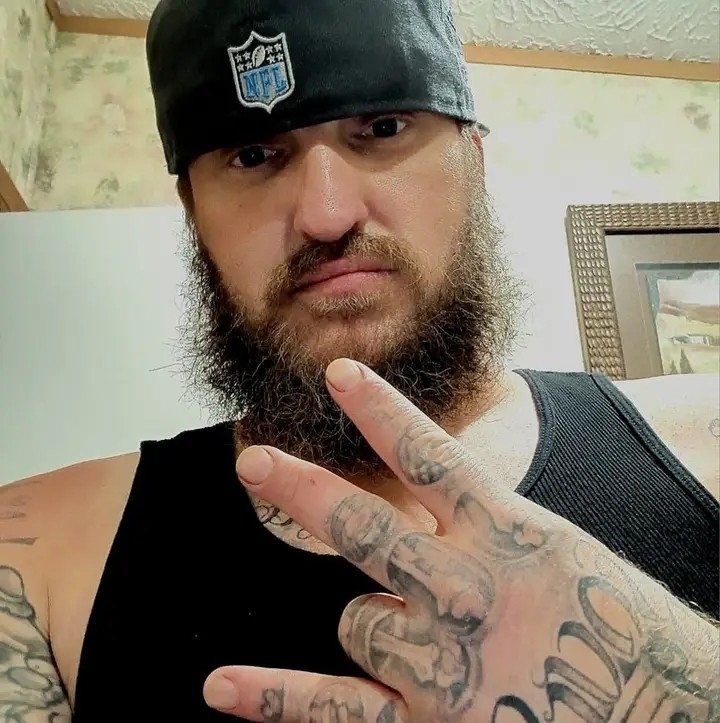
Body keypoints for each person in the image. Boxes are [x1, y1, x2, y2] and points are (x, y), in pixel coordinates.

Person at [0, 0, 716, 720]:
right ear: (194, 215)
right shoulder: (34, 556)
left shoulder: (706, 439)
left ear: (474, 159)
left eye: (382, 128)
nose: (327, 214)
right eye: (253, 155)